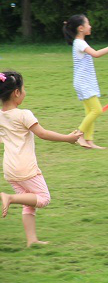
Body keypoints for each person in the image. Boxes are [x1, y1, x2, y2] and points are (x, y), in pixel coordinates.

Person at [0, 71, 82, 247]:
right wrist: (68, 138)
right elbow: (43, 134)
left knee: (29, 203)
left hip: (9, 168)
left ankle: (32, 240)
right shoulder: (24, 114)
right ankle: (9, 198)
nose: (24, 91)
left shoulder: (1, 116)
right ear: (16, 93)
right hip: (25, 168)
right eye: (23, 88)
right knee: (43, 198)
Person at [63, 14, 108, 149]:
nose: (90, 26)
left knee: (89, 111)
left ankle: (89, 140)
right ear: (81, 28)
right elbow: (96, 54)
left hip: (85, 81)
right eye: (88, 24)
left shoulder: (79, 42)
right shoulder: (80, 43)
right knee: (97, 110)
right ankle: (79, 135)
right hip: (83, 82)